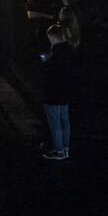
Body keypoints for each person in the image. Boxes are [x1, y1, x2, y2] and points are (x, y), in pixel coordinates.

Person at [41, 25, 72, 160]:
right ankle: (66, 147)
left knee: (55, 122)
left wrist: (45, 62)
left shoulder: (55, 54)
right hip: (65, 91)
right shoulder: (69, 51)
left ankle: (58, 150)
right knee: (65, 120)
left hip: (53, 93)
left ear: (53, 37)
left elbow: (50, 74)